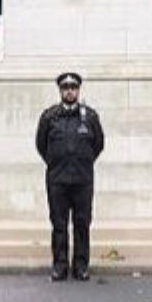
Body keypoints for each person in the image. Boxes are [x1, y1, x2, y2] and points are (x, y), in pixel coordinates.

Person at [35, 71, 104, 282]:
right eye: (65, 88)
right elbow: (41, 145)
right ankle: (60, 266)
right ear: (60, 91)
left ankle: (81, 266)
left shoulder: (90, 117)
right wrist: (56, 163)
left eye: (73, 87)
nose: (70, 91)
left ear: (78, 90)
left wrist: (83, 162)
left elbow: (98, 145)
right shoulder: (49, 117)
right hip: (58, 181)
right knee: (59, 224)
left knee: (82, 223)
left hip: (82, 180)